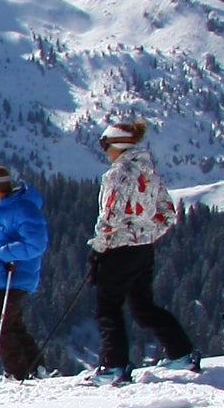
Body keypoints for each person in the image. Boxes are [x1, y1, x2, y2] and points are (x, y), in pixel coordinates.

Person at [85, 121, 199, 384]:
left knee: (108, 308)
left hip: (117, 250)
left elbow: (110, 215)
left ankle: (115, 367)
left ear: (116, 145)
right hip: (143, 250)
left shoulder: (118, 174)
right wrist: (146, 234)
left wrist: (99, 248)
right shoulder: (149, 172)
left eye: (105, 145)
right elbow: (168, 213)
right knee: (143, 306)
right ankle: (182, 353)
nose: (105, 151)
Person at [0, 165, 47, 381]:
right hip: (3, 278)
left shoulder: (21, 209)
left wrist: (5, 254)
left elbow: (36, 243)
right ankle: (36, 369)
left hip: (15, 277)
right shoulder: (2, 209)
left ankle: (18, 373)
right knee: (12, 325)